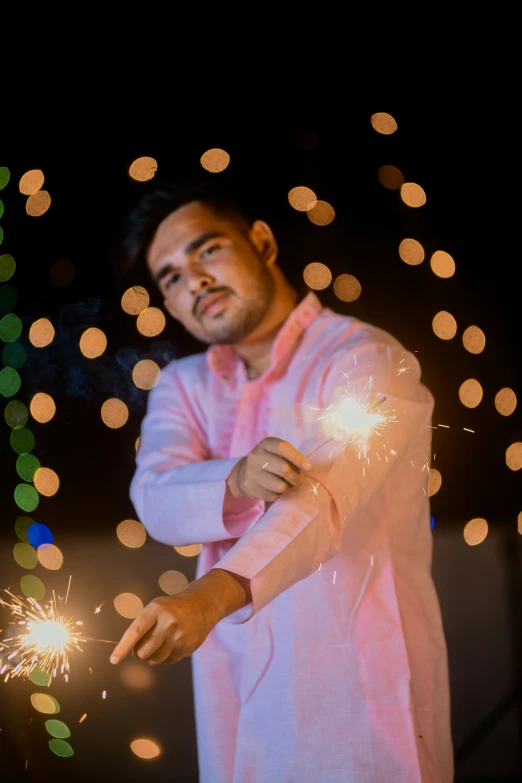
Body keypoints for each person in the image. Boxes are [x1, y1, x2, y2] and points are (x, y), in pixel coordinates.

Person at [110, 175, 453, 782]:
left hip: (353, 695)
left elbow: (322, 498)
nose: (194, 281)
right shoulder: (182, 386)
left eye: (206, 250)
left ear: (263, 242)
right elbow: (154, 496)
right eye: (170, 277)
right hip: (231, 687)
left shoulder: (365, 358)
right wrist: (236, 479)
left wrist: (206, 599)